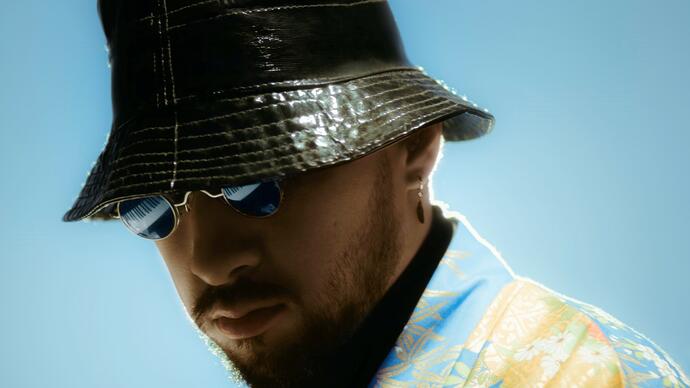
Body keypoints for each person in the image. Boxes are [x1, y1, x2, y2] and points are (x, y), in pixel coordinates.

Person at [64, 0, 688, 386]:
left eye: (256, 184)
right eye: (151, 208)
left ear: (414, 146)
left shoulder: (577, 380)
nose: (207, 260)